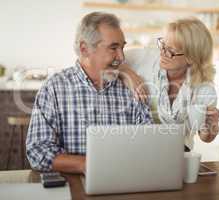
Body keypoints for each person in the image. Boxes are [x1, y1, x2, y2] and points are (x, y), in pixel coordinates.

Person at [26, 12, 152, 173]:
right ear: (84, 49)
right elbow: (38, 152)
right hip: (72, 185)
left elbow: (148, 145)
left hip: (125, 181)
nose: (121, 57)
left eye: (122, 47)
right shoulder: (54, 89)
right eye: (113, 48)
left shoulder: (130, 87)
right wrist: (88, 165)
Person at [119, 17, 219, 151]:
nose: (162, 53)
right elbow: (109, 59)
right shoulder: (147, 58)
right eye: (163, 45)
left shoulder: (205, 89)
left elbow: (205, 137)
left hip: (178, 151)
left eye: (171, 51)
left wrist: (212, 125)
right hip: (137, 145)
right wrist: (129, 74)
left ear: (191, 57)